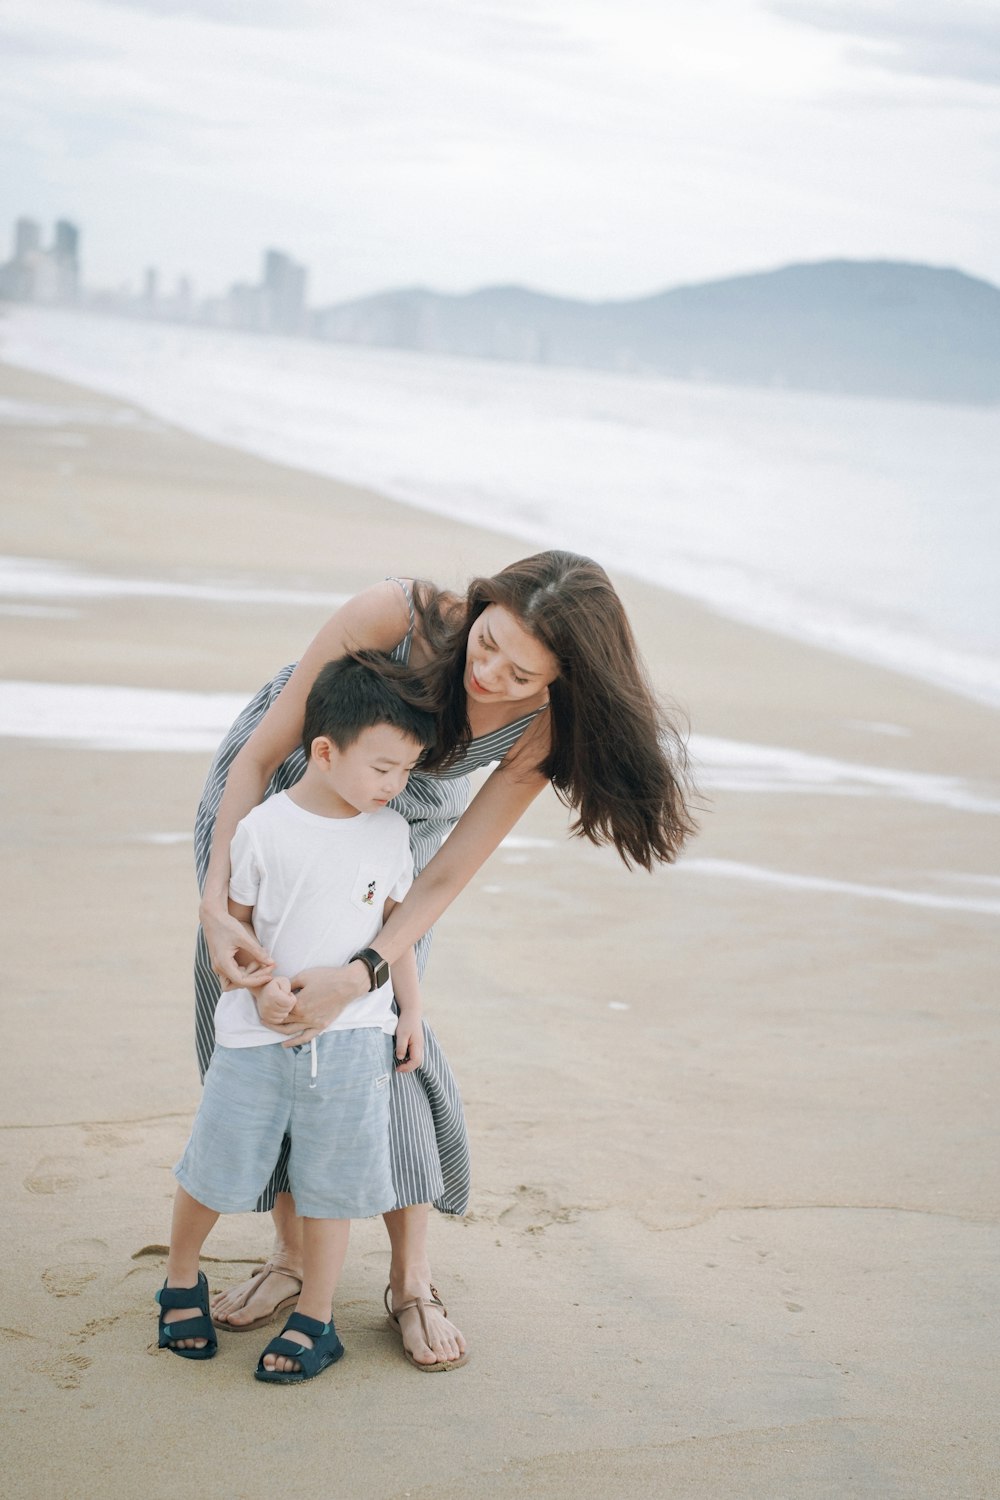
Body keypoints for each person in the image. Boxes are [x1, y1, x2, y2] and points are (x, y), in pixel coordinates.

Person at [197, 551, 696, 1370]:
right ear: (482, 605)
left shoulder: (541, 728)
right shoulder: (393, 616)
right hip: (270, 822)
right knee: (265, 1040)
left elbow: (451, 871)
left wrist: (366, 972)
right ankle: (289, 1260)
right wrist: (217, 908)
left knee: (386, 1046)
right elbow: (255, 759)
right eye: (489, 641)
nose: (490, 673)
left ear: (564, 679)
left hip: (397, 842)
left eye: (523, 671)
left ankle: (411, 1283)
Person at [157, 658, 438, 1382]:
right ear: (323, 751)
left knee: (333, 1183)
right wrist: (262, 991)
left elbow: (395, 928)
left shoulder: (388, 834)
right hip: (257, 1037)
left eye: (406, 770)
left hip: (350, 1040)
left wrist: (411, 1011)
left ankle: (317, 1315)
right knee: (215, 1166)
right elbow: (239, 930)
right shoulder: (263, 830)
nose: (394, 785)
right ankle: (180, 1275)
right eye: (382, 767)